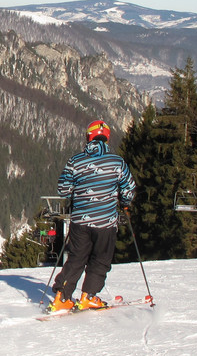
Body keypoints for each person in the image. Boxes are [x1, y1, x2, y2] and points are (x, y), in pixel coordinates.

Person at [49, 120, 136, 311]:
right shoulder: (117, 162)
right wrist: (124, 203)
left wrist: (79, 191)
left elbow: (63, 190)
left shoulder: (75, 161)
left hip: (80, 221)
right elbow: (129, 188)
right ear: (107, 138)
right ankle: (88, 296)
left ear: (88, 137)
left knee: (76, 258)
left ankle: (61, 296)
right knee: (100, 259)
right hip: (106, 222)